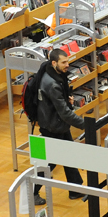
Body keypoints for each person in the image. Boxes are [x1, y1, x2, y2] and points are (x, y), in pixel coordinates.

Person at [33, 48, 86, 202]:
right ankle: (33, 192)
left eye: (67, 61)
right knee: (50, 161)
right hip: (52, 126)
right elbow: (64, 113)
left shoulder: (53, 74)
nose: (67, 65)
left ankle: (75, 189)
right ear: (54, 62)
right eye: (64, 62)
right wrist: (85, 125)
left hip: (55, 123)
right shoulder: (52, 83)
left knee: (68, 155)